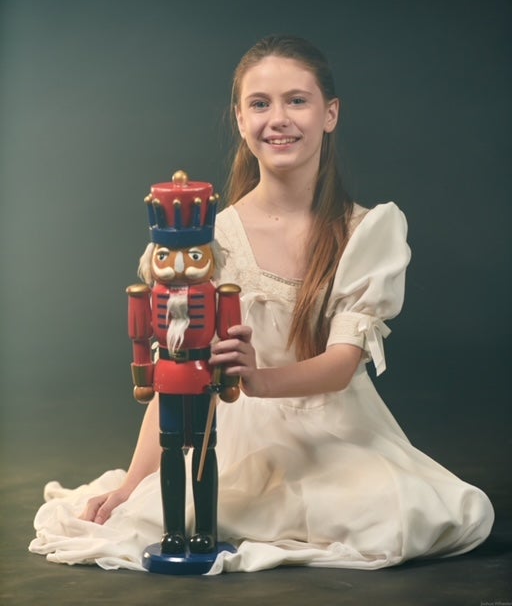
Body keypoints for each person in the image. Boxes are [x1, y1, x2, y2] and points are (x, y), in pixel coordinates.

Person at [29, 35, 494, 573]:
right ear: (240, 118)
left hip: (331, 429)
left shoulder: (364, 230)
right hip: (232, 431)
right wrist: (135, 483)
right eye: (260, 103)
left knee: (416, 516)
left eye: (298, 100)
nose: (279, 118)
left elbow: (343, 365)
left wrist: (259, 378)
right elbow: (174, 371)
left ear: (330, 114)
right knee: (170, 509)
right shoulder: (209, 241)